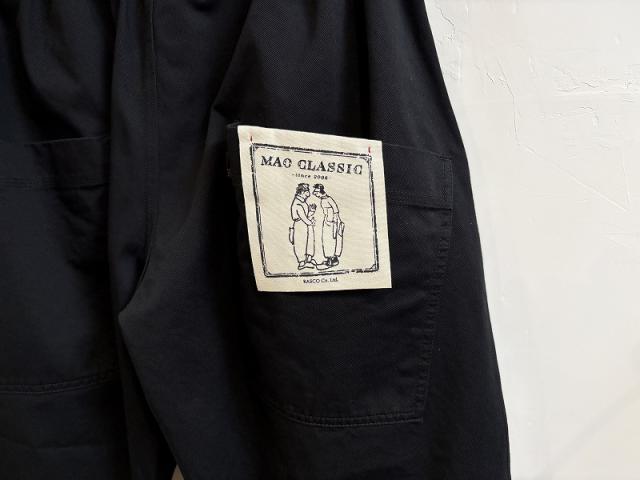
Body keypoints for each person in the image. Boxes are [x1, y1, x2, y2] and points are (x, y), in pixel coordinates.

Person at [313, 184, 343, 268]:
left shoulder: (329, 199)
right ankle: (329, 259)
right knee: (326, 240)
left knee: (332, 240)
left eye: (316, 193)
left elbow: (336, 210)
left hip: (332, 222)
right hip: (327, 222)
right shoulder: (323, 200)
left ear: (320, 191)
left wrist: (335, 222)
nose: (316, 195)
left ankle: (333, 259)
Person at [289, 183, 316, 269]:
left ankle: (308, 260)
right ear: (302, 192)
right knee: (301, 243)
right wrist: (310, 222)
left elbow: (306, 216)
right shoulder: (297, 204)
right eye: (307, 192)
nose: (308, 194)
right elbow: (304, 218)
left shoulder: (302, 202)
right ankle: (302, 262)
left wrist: (311, 212)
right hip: (300, 226)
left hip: (306, 225)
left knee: (309, 242)